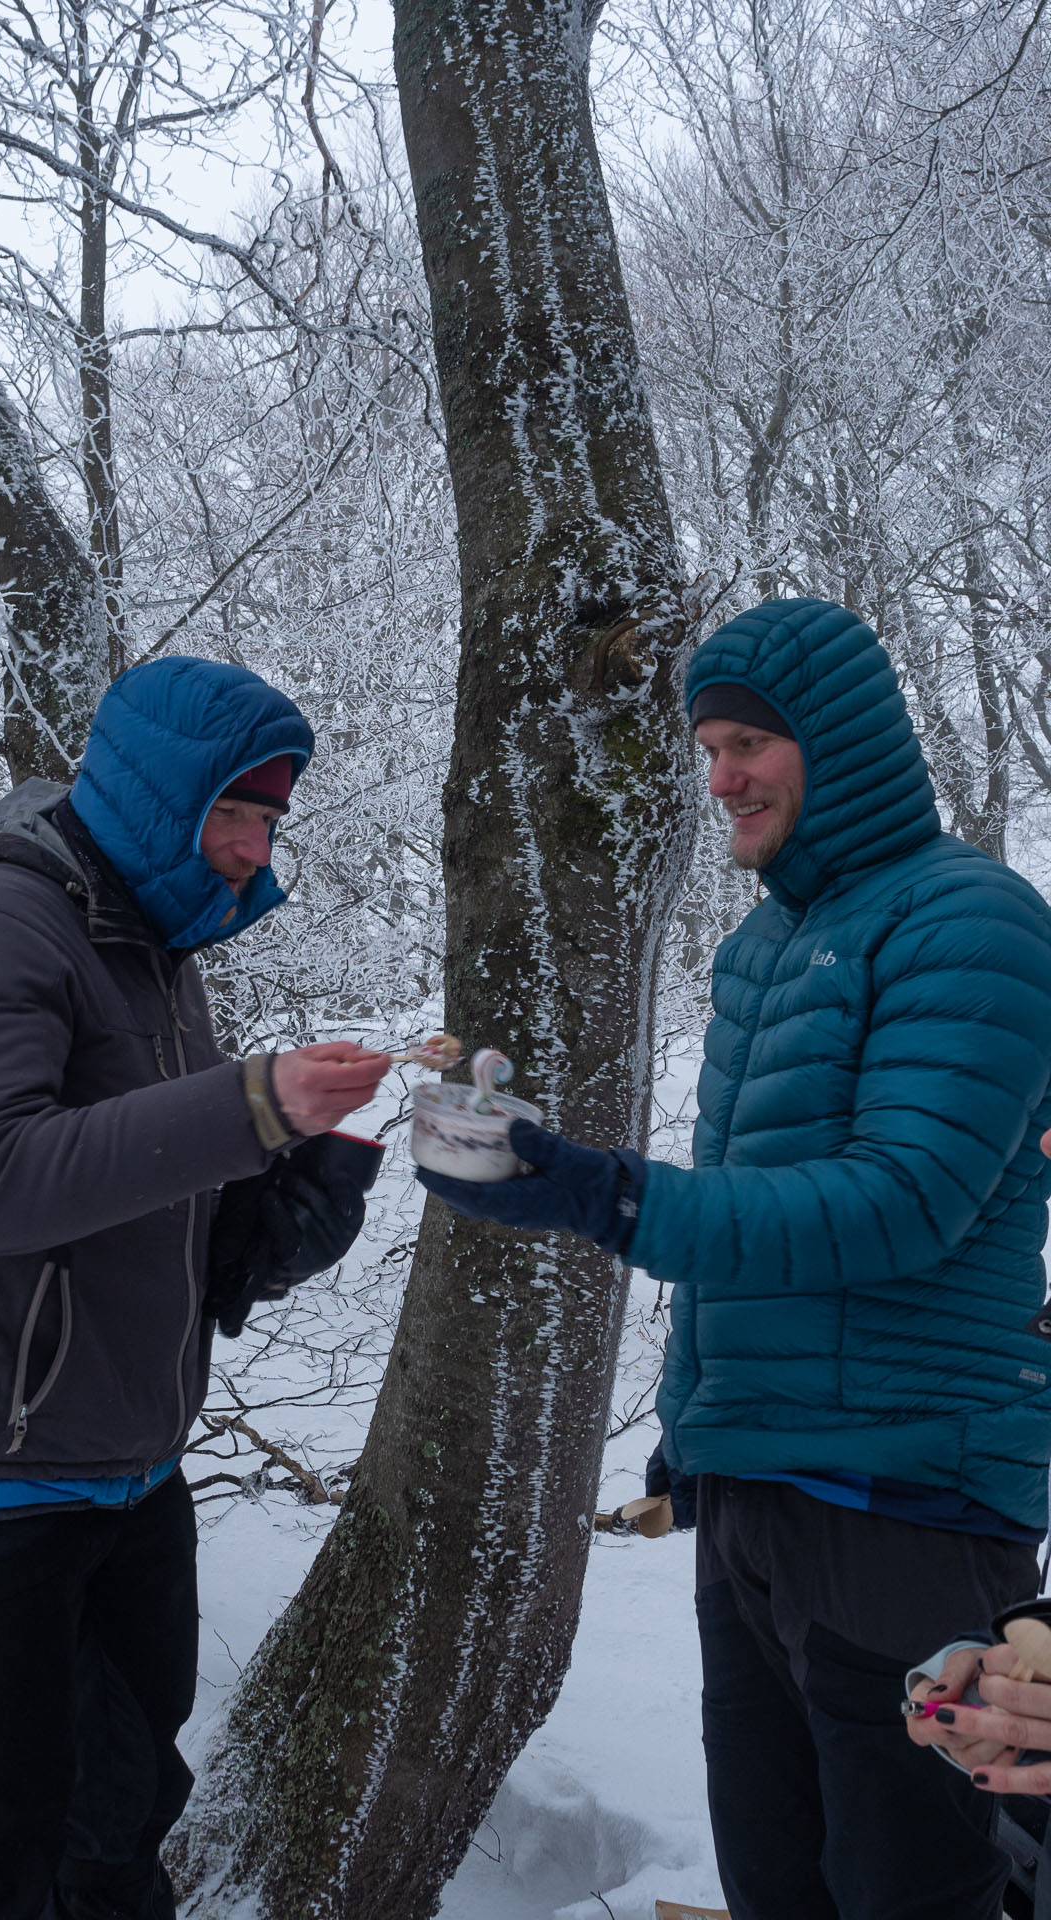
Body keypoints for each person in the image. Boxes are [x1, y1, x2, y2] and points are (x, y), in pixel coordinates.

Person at [418, 597, 1051, 1920]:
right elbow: (758, 1215)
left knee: (912, 1889)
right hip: (757, 1497)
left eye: (750, 744)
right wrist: (700, 1419)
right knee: (779, 1884)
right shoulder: (760, 953)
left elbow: (901, 1204)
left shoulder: (971, 921)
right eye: (707, 748)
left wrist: (600, 1194)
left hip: (906, 1515)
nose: (722, 779)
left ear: (841, 742)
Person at [0, 657, 391, 1919]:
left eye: (268, 819)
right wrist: (250, 1101)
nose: (251, 848)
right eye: (235, 813)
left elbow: (146, 1209)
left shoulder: (151, 956)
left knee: (115, 1842)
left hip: (134, 1476)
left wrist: (293, 1199)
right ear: (157, 795)